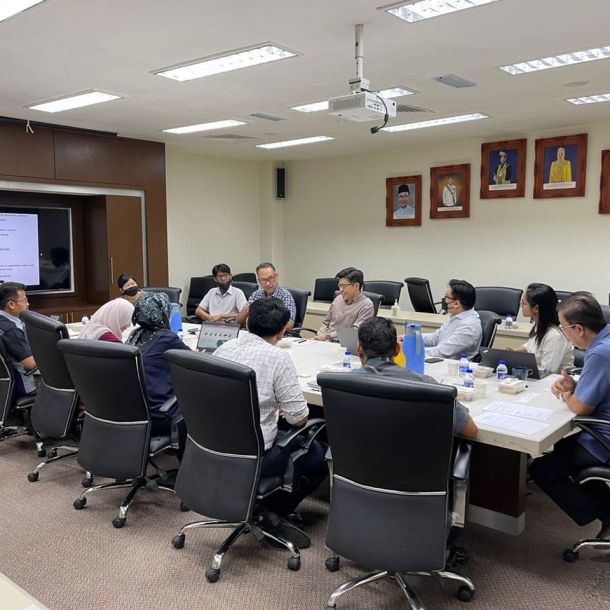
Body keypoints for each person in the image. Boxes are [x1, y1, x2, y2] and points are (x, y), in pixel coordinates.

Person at [215, 298, 327, 546]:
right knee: (318, 454)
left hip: (215, 445)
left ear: (248, 323)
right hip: (256, 454)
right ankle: (272, 510)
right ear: (281, 332)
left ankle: (255, 502)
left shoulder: (223, 349)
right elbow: (299, 419)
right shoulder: (278, 358)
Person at [529, 293, 610, 541]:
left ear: (579, 329)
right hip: (601, 428)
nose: (564, 334)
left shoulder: (600, 353)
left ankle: (605, 514)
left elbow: (580, 408)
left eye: (564, 328)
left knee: (542, 469)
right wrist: (575, 386)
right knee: (563, 450)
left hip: (603, 437)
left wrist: (567, 394)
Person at [355, 317, 477, 438]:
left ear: (359, 349)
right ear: (398, 349)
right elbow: (470, 431)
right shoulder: (427, 385)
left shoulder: (345, 384)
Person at [125, 292, 189, 439]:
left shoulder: (134, 335)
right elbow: (194, 363)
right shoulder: (168, 338)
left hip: (132, 414)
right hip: (160, 415)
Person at [512, 283, 573, 373]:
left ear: (536, 308)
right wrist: (512, 352)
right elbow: (533, 345)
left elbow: (547, 372)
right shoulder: (539, 325)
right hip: (537, 376)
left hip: (551, 379)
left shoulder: (554, 336)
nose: (520, 306)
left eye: (523, 303)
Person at [422, 279, 482, 360]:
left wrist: (411, 352)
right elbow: (435, 337)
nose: (444, 300)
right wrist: (410, 338)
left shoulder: (469, 326)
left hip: (453, 366)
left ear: (456, 303)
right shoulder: (456, 316)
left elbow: (442, 352)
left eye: (447, 297)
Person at [0, 282, 39, 396]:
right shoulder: (11, 330)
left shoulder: (4, 322)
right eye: (25, 300)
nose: (28, 304)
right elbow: (30, 364)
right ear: (11, 304)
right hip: (26, 384)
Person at [315, 267, 374, 341]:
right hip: (326, 341)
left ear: (356, 286)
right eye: (340, 286)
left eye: (344, 286)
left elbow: (354, 331)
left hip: (345, 344)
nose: (341, 290)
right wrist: (320, 334)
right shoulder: (338, 299)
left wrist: (328, 336)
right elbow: (326, 323)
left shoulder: (367, 305)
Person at [235, 262, 296, 329]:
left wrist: (264, 328)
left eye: (270, 278)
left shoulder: (285, 296)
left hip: (274, 333)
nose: (268, 283)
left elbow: (289, 324)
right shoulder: (256, 294)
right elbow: (239, 321)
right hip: (256, 332)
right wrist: (247, 307)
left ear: (276, 276)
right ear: (259, 281)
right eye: (263, 280)